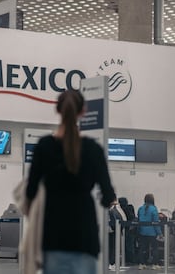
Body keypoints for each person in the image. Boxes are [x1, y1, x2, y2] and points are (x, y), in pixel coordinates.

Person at [26, 90, 116, 274]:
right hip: (85, 236)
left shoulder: (44, 146)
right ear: (83, 112)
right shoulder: (93, 150)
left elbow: (30, 192)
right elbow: (108, 196)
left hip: (53, 236)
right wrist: (101, 198)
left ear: (58, 110)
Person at [137, 193, 163, 270]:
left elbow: (139, 219)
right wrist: (160, 233)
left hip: (142, 231)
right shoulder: (154, 209)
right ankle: (155, 264)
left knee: (142, 248)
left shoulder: (140, 208)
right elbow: (156, 222)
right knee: (154, 248)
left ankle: (141, 264)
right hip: (152, 233)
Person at [108, 195, 127, 270]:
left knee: (111, 247)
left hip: (110, 229)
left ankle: (110, 263)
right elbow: (123, 219)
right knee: (114, 247)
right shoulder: (115, 208)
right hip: (115, 230)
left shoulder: (109, 207)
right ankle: (112, 263)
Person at [118, 197, 137, 264]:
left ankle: (128, 260)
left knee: (127, 245)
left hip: (126, 229)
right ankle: (132, 260)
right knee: (131, 245)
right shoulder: (130, 207)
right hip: (132, 229)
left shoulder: (122, 209)